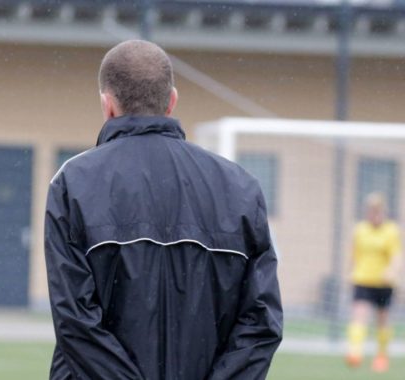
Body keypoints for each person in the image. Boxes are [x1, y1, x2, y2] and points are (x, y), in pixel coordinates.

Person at [44, 40, 283, 379]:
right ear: (171, 101)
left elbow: (75, 322)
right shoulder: (241, 187)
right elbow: (261, 322)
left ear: (107, 105)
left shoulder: (74, 183)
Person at [345, 192, 402, 373]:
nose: (374, 214)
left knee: (382, 321)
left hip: (384, 284)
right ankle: (355, 352)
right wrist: (350, 272)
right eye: (371, 211)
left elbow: (397, 256)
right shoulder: (360, 230)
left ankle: (381, 356)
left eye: (378, 211)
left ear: (383, 211)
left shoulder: (391, 231)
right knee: (359, 315)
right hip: (362, 280)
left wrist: (392, 271)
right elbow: (354, 254)